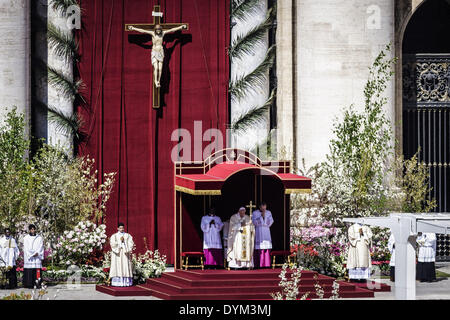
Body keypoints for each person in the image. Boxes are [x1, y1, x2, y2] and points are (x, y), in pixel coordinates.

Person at [109, 222, 134, 287]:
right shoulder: (114, 236)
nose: (121, 229)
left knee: (125, 266)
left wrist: (124, 243)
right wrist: (120, 244)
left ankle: (126, 282)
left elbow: (131, 244)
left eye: (122, 228)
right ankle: (117, 282)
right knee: (118, 267)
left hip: (125, 254)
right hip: (118, 254)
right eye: (120, 228)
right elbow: (113, 244)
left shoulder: (128, 235)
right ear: (117, 228)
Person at [252, 202, 274, 268]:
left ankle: (266, 264)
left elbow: (271, 221)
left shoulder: (268, 212)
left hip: (266, 231)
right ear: (260, 207)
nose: (264, 208)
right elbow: (254, 222)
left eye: (265, 207)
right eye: (262, 207)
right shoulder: (255, 213)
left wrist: (265, 217)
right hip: (259, 230)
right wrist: (261, 216)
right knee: (259, 247)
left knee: (266, 248)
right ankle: (259, 264)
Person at [23, 224, 44, 288]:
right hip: (30, 257)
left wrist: (37, 253)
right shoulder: (26, 238)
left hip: (37, 256)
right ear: (29, 230)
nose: (33, 230)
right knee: (29, 270)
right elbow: (26, 247)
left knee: (37, 270)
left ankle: (37, 283)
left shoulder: (39, 238)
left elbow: (41, 246)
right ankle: (29, 284)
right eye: (31, 229)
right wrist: (32, 254)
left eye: (34, 229)